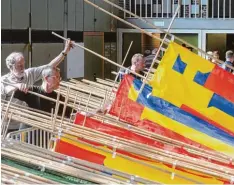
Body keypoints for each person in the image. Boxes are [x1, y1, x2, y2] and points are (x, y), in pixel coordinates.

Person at [1, 39, 74, 99]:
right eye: (19, 65)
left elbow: (49, 66)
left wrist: (65, 52)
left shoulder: (28, 74)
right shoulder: (3, 80)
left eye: (23, 64)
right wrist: (17, 86)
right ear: (11, 67)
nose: (22, 67)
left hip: (26, 112)